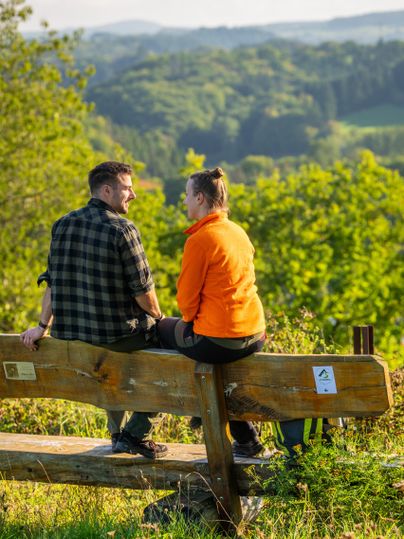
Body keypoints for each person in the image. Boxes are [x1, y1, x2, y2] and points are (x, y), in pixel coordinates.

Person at [20, 161, 167, 459]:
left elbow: (52, 283)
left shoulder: (62, 225)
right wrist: (160, 319)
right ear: (107, 190)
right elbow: (143, 293)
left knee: (109, 364)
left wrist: (41, 326)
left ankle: (116, 435)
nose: (134, 195)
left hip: (76, 339)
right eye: (128, 188)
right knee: (173, 357)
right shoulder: (123, 230)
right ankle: (135, 433)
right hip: (120, 337)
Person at [157, 167, 267, 458]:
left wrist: (190, 324)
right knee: (211, 355)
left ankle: (147, 424)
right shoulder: (238, 232)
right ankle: (247, 440)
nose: (184, 202)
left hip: (222, 341)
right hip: (255, 334)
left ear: (201, 198)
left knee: (160, 329)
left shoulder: (200, 240)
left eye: (186, 195)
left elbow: (187, 304)